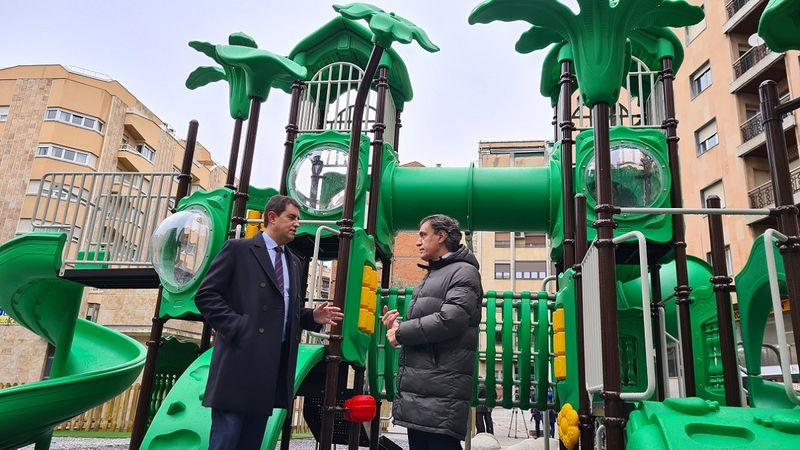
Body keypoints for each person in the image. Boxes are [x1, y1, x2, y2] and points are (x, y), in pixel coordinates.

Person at [195, 195, 343, 450]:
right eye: (291, 217)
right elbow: (206, 295)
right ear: (272, 218)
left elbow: (283, 309)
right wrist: (239, 326)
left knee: (253, 442)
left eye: (298, 218)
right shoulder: (238, 250)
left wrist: (310, 317)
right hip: (239, 362)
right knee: (226, 440)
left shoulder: (293, 262)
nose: (297, 223)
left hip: (270, 367)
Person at [383, 214, 483, 450]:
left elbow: (451, 320)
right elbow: (429, 324)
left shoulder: (464, 272)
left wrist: (401, 333)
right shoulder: (435, 274)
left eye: (423, 235)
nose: (418, 241)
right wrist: (395, 326)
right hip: (424, 391)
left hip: (440, 393)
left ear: (441, 236)